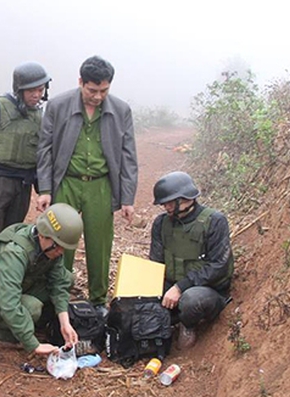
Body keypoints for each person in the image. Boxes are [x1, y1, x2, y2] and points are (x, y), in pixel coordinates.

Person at [36, 56, 138, 317]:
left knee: (100, 245)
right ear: (81, 82)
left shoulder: (121, 110)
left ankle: (97, 301)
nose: (97, 96)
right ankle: (58, 299)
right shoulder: (58, 106)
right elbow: (45, 150)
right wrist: (45, 189)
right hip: (67, 181)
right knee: (60, 242)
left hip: (100, 185)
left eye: (104, 91)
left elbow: (129, 157)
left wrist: (127, 198)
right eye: (92, 90)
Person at [0, 203, 83, 355]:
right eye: (57, 246)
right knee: (31, 307)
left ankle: (28, 324)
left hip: (22, 284)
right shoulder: (14, 253)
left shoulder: (49, 246)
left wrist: (64, 323)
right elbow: (9, 303)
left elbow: (59, 283)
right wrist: (33, 344)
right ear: (43, 234)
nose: (60, 252)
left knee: (67, 278)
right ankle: (4, 333)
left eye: (64, 248)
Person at [0, 62, 51, 254]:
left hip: (23, 184)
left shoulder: (41, 116)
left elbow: (40, 154)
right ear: (20, 90)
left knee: (12, 236)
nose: (37, 95)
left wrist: (42, 190)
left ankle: (6, 279)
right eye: (31, 91)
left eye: (40, 89)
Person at [149, 171, 234, 350]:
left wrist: (180, 287)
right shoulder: (161, 223)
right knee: (138, 298)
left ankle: (188, 325)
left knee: (191, 301)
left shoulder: (215, 221)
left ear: (185, 198)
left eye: (170, 202)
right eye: (164, 203)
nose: (166, 207)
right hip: (171, 285)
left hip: (206, 290)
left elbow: (218, 266)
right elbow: (155, 263)